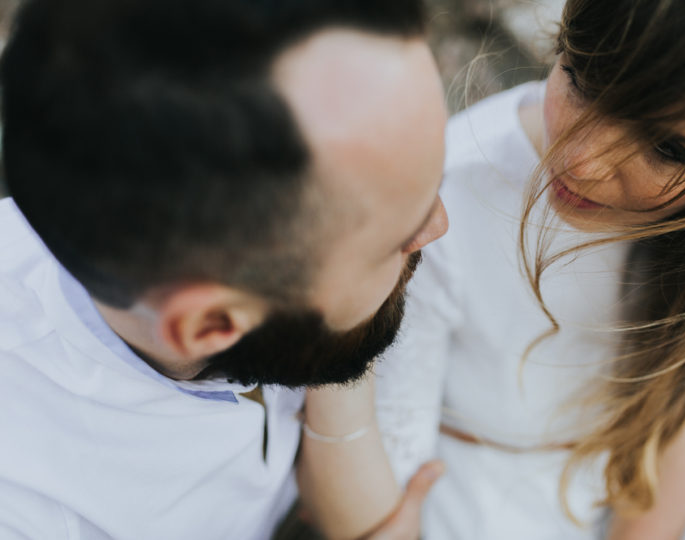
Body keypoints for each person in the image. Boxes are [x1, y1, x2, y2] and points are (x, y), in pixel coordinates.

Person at [313, 0, 685, 538]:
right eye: (581, 80)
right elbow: (391, 448)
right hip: (482, 478)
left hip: (643, 473)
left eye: (666, 148)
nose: (583, 160)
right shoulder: (454, 199)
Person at [0, 0, 449, 538]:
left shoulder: (233, 253)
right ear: (210, 326)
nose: (439, 226)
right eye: (398, 237)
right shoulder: (36, 507)